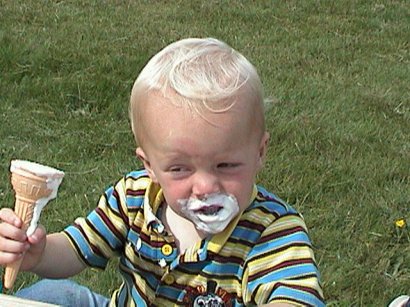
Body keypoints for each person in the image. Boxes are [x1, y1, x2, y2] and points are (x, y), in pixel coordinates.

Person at [0, 37, 324, 306]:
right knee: (51, 293)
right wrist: (37, 254)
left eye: (225, 165)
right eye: (180, 169)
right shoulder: (133, 197)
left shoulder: (272, 232)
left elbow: (296, 298)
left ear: (260, 153)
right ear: (150, 166)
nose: (205, 186)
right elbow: (76, 249)